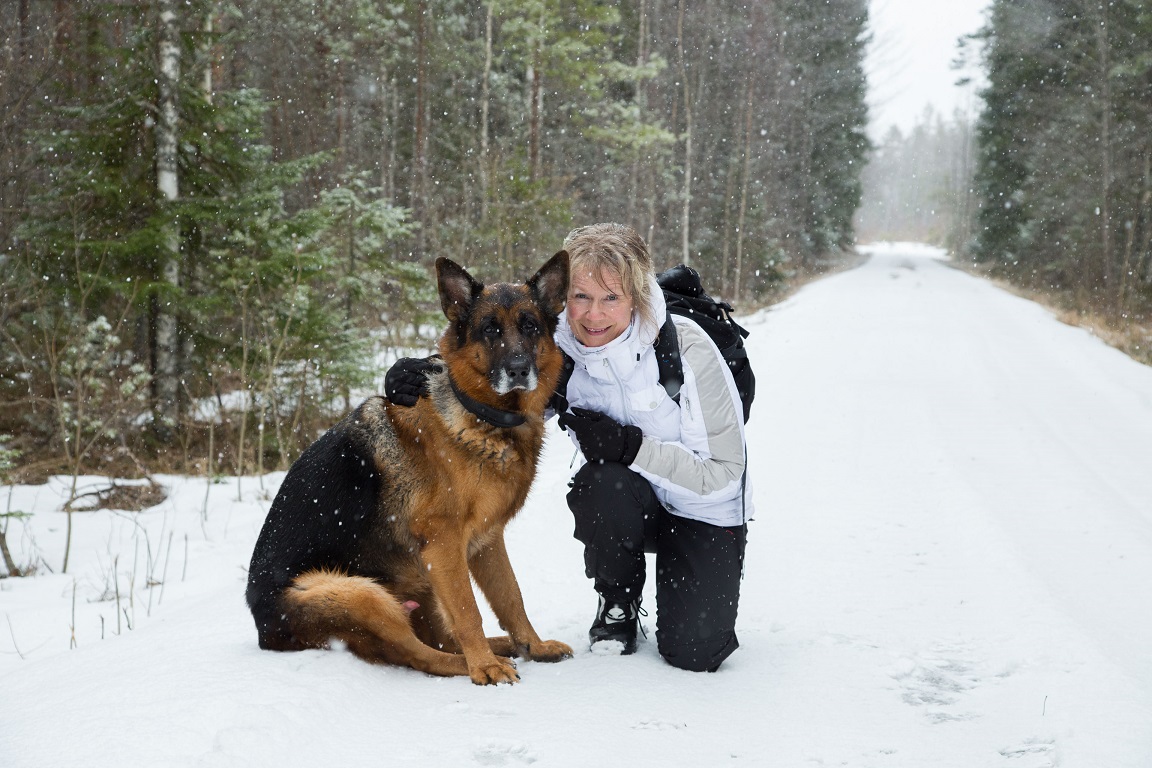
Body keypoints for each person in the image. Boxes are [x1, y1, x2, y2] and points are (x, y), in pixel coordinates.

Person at [386, 223, 752, 672]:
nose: (593, 314)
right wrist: (423, 372)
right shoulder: (556, 346)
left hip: (704, 509)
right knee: (601, 483)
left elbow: (725, 470)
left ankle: (687, 583)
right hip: (628, 503)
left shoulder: (689, 348)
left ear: (636, 296)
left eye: (610, 298)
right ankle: (617, 601)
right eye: (581, 297)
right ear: (562, 298)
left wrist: (630, 446)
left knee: (696, 652)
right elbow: (486, 358)